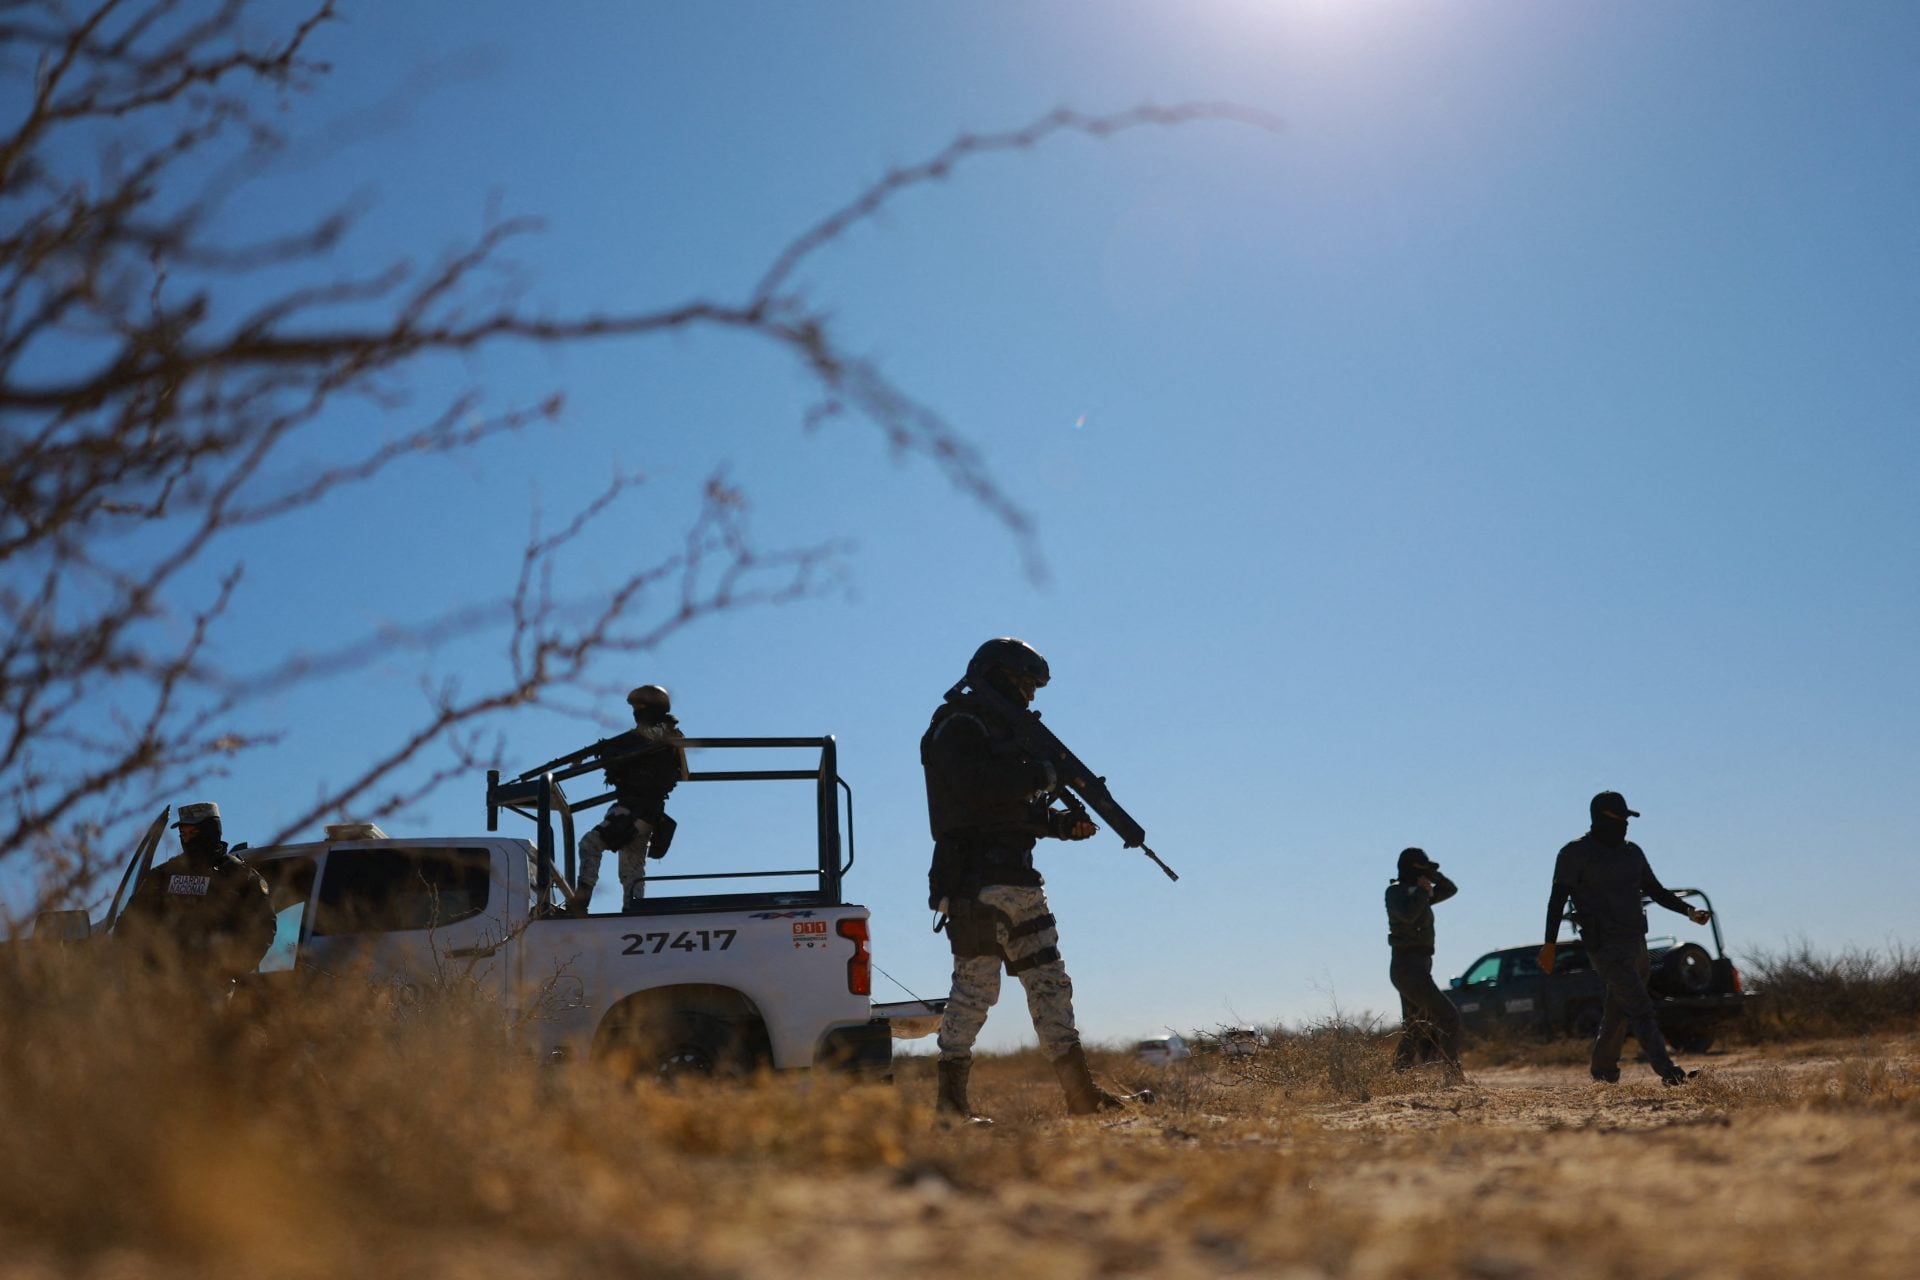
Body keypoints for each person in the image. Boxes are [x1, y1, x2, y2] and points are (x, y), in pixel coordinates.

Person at [924, 637, 1137, 1124]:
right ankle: (951, 1107)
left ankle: (1081, 1096)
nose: (1030, 698)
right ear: (997, 677)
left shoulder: (1005, 734)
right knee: (976, 991)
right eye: (1023, 685)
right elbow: (976, 791)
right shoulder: (957, 726)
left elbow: (1013, 808)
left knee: (1050, 983)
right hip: (976, 881)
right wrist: (1041, 775)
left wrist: (1061, 824)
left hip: (1020, 880)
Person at [1539, 791, 1713, 1086]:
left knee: (1618, 1009)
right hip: (1603, 945)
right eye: (1619, 818)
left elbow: (1656, 890)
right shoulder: (1574, 853)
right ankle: (1670, 1073)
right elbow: (1557, 899)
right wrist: (1550, 944)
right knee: (1640, 1006)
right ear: (1600, 818)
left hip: (1636, 942)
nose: (1625, 824)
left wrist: (1688, 910)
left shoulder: (1632, 853)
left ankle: (1603, 1073)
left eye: (1626, 818)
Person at [116, 801, 275, 982]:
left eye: (193, 833)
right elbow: (130, 922)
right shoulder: (164, 875)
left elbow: (263, 928)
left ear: (210, 831)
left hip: (212, 987)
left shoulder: (240, 877)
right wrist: (141, 966)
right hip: (162, 985)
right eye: (183, 834)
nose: (187, 839)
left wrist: (233, 968)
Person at [575, 684, 686, 914]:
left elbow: (679, 772)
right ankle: (633, 911)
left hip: (634, 811)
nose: (636, 714)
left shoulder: (662, 736)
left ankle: (581, 903)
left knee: (590, 844)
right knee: (631, 869)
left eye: (640, 709)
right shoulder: (647, 738)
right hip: (643, 814)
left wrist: (612, 754)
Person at [1385, 847, 1464, 1075]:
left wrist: (1432, 876)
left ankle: (1398, 1076)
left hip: (1419, 965)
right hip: (1406, 966)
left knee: (1414, 1026)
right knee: (1448, 1017)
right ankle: (1453, 1076)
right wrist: (1422, 892)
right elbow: (1408, 916)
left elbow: (1450, 889)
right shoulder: (1396, 892)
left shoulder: (1420, 893)